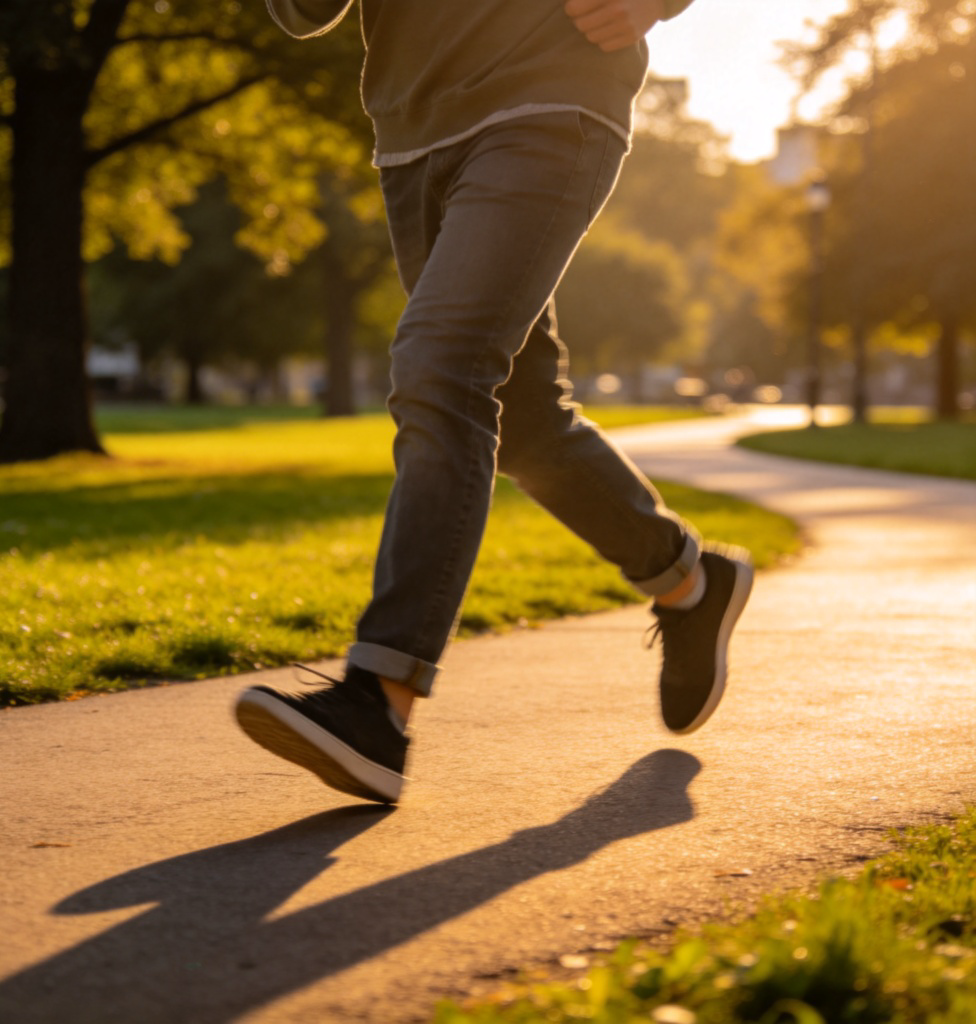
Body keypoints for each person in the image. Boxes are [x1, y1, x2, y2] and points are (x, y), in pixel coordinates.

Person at [235, 0, 753, 804]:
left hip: (549, 94)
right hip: (414, 128)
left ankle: (380, 700)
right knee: (524, 422)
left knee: (441, 368)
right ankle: (688, 582)